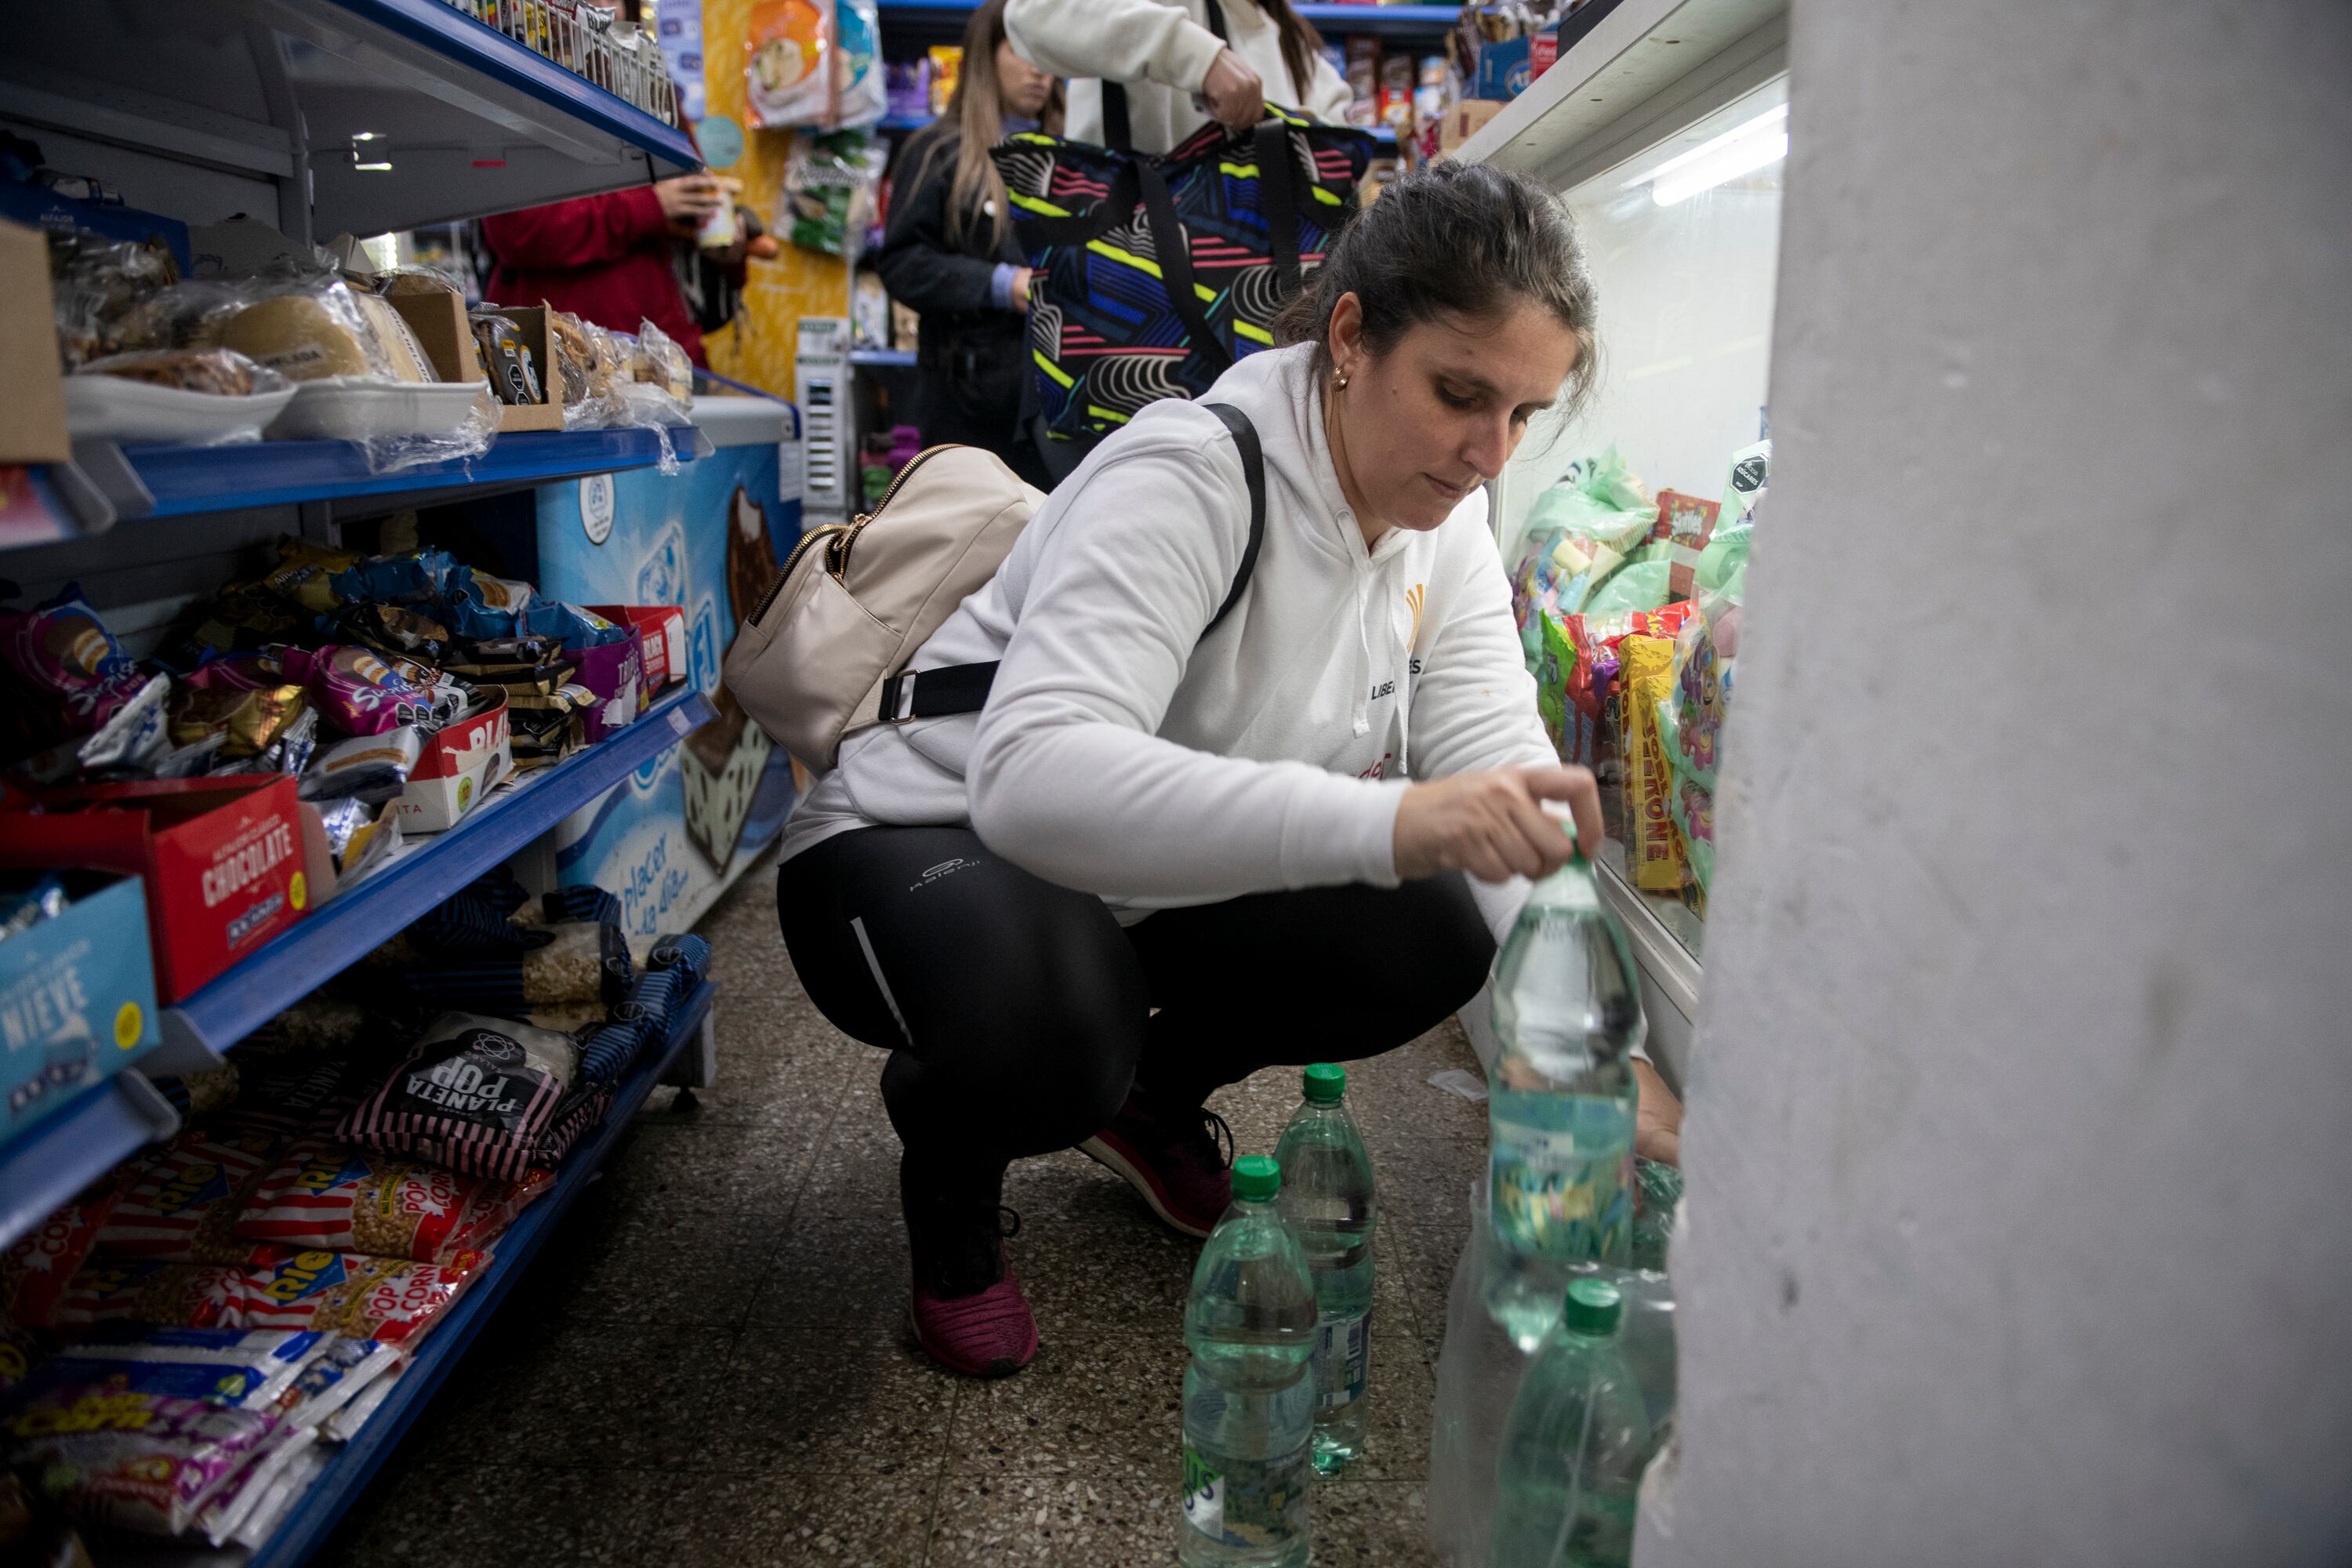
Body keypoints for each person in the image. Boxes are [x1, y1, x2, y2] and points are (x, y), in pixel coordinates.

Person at [773, 162, 1687, 1379]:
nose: (1488, 452)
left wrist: (1595, 1050)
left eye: (1525, 414)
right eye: (1461, 394)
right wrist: (1390, 823)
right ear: (1351, 339)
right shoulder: (1196, 472)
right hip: (916, 839)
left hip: (1119, 871)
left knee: (1439, 930)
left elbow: (1495, 762)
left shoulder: (1444, 515)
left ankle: (1147, 1099)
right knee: (1051, 1020)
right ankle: (955, 1179)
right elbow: (1032, 782)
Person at [874, 1, 1062, 488]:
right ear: (987, 54)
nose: (1040, 69)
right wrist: (1001, 284)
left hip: (1054, 403)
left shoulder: (1072, 159)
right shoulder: (939, 151)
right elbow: (902, 262)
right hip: (966, 404)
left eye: (1047, 53)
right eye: (1022, 51)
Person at [1004, 0, 1351, 151]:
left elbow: (1339, 137)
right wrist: (1193, 56)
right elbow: (1032, 13)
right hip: (1139, 263)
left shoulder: (1288, 36)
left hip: (1255, 287)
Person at [481, 174, 738, 367]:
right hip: (569, 364)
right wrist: (647, 205)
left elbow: (695, 198)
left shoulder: (667, 111)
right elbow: (518, 230)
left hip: (668, 359)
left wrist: (726, 253)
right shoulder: (536, 109)